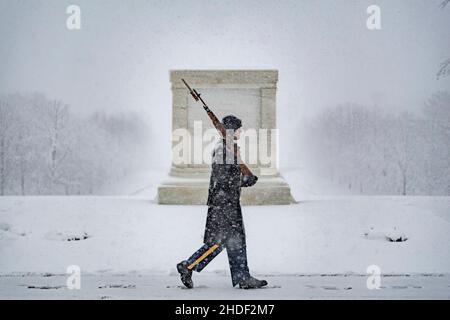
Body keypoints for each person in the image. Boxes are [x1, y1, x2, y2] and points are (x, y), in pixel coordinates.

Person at [176, 115, 268, 289]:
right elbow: (221, 178)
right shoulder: (222, 150)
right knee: (219, 242)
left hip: (228, 202)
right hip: (223, 204)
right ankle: (188, 266)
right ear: (231, 131)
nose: (241, 131)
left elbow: (229, 176)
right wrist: (243, 180)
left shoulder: (229, 148)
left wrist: (243, 178)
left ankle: (243, 277)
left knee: (235, 240)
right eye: (239, 129)